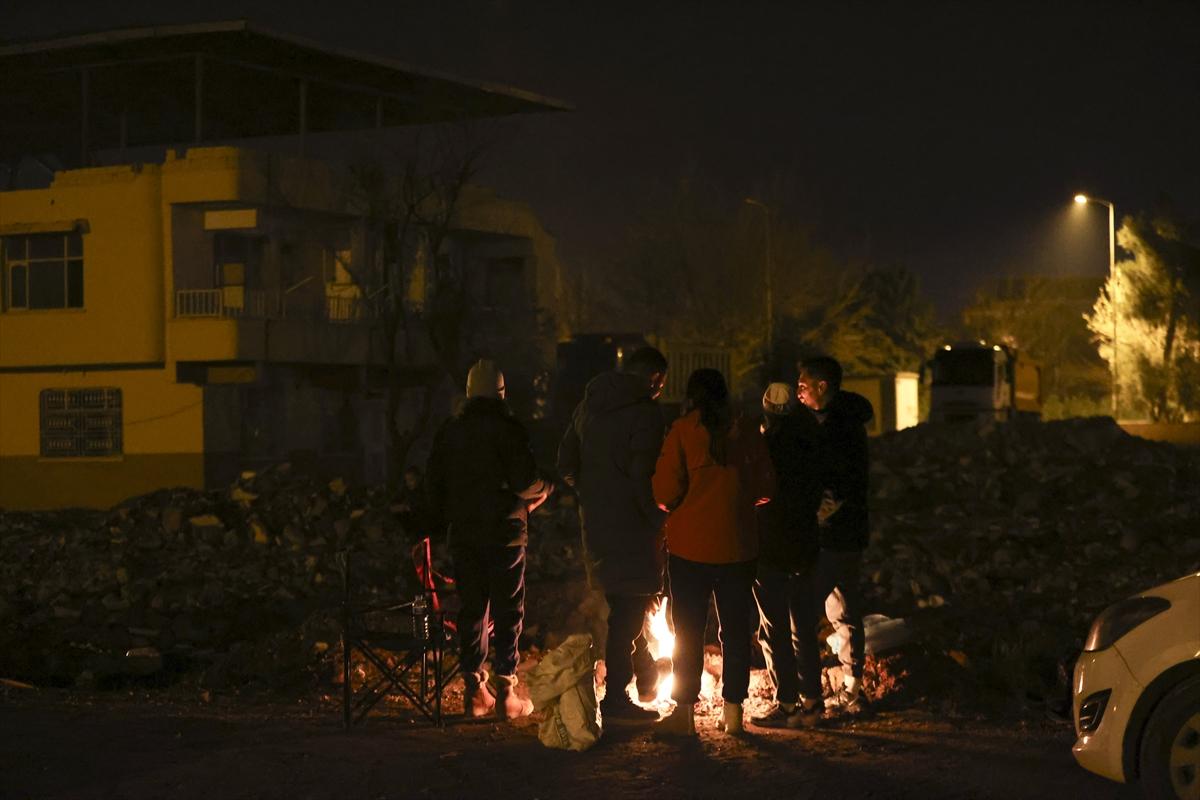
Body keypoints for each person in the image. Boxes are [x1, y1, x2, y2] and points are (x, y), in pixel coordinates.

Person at [425, 359, 552, 720]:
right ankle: (507, 692)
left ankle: (474, 692)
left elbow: (434, 486)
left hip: (465, 532)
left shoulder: (450, 431)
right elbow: (526, 481)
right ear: (501, 393)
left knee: (473, 609)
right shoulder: (508, 430)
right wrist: (549, 486)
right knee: (508, 609)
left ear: (468, 394)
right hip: (505, 532)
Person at [652, 369, 774, 737]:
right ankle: (733, 713)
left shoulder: (683, 431)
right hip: (738, 547)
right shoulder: (748, 430)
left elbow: (663, 491)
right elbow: (767, 485)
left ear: (691, 396)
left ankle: (685, 715)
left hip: (690, 548)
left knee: (688, 630)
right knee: (735, 630)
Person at [557, 346, 669, 723]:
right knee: (628, 613)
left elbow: (565, 464)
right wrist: (656, 518)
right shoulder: (646, 415)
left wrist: (593, 495)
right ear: (654, 379)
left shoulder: (587, 407)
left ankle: (644, 682)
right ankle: (617, 700)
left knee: (623, 608)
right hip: (634, 526)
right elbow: (644, 477)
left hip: (598, 523)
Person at [794, 355, 874, 715]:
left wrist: (812, 520)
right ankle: (852, 686)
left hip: (834, 536)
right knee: (843, 608)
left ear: (822, 386)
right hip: (849, 535)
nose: (799, 391)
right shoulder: (842, 422)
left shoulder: (838, 429)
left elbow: (838, 487)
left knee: (807, 611)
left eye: (804, 385)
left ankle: (805, 695)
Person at [748, 382, 827, 729]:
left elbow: (755, 494)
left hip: (770, 547)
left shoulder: (764, 448)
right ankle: (813, 701)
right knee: (803, 626)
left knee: (774, 628)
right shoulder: (812, 442)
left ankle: (787, 704)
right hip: (805, 545)